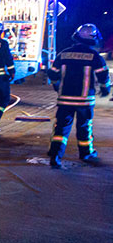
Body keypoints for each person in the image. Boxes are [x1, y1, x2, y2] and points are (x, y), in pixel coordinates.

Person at [47, 23, 111, 168]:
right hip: (85, 100)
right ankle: (86, 153)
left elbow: (53, 73)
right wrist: (105, 89)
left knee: (61, 128)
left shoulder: (63, 53)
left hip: (65, 99)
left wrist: (56, 85)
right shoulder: (94, 56)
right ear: (93, 38)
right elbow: (103, 76)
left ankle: (55, 155)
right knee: (84, 127)